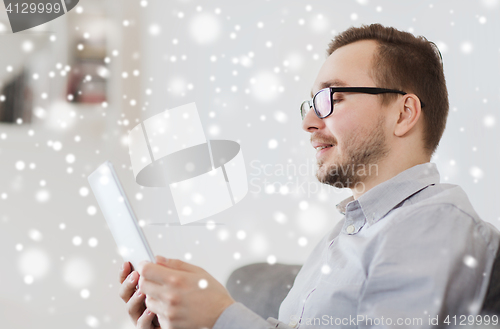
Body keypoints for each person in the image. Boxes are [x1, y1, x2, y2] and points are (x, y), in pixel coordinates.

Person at [118, 24, 500, 328]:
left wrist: (222, 317)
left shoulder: (434, 223)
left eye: (331, 99)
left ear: (403, 113)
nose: (308, 122)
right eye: (310, 103)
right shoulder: (348, 233)